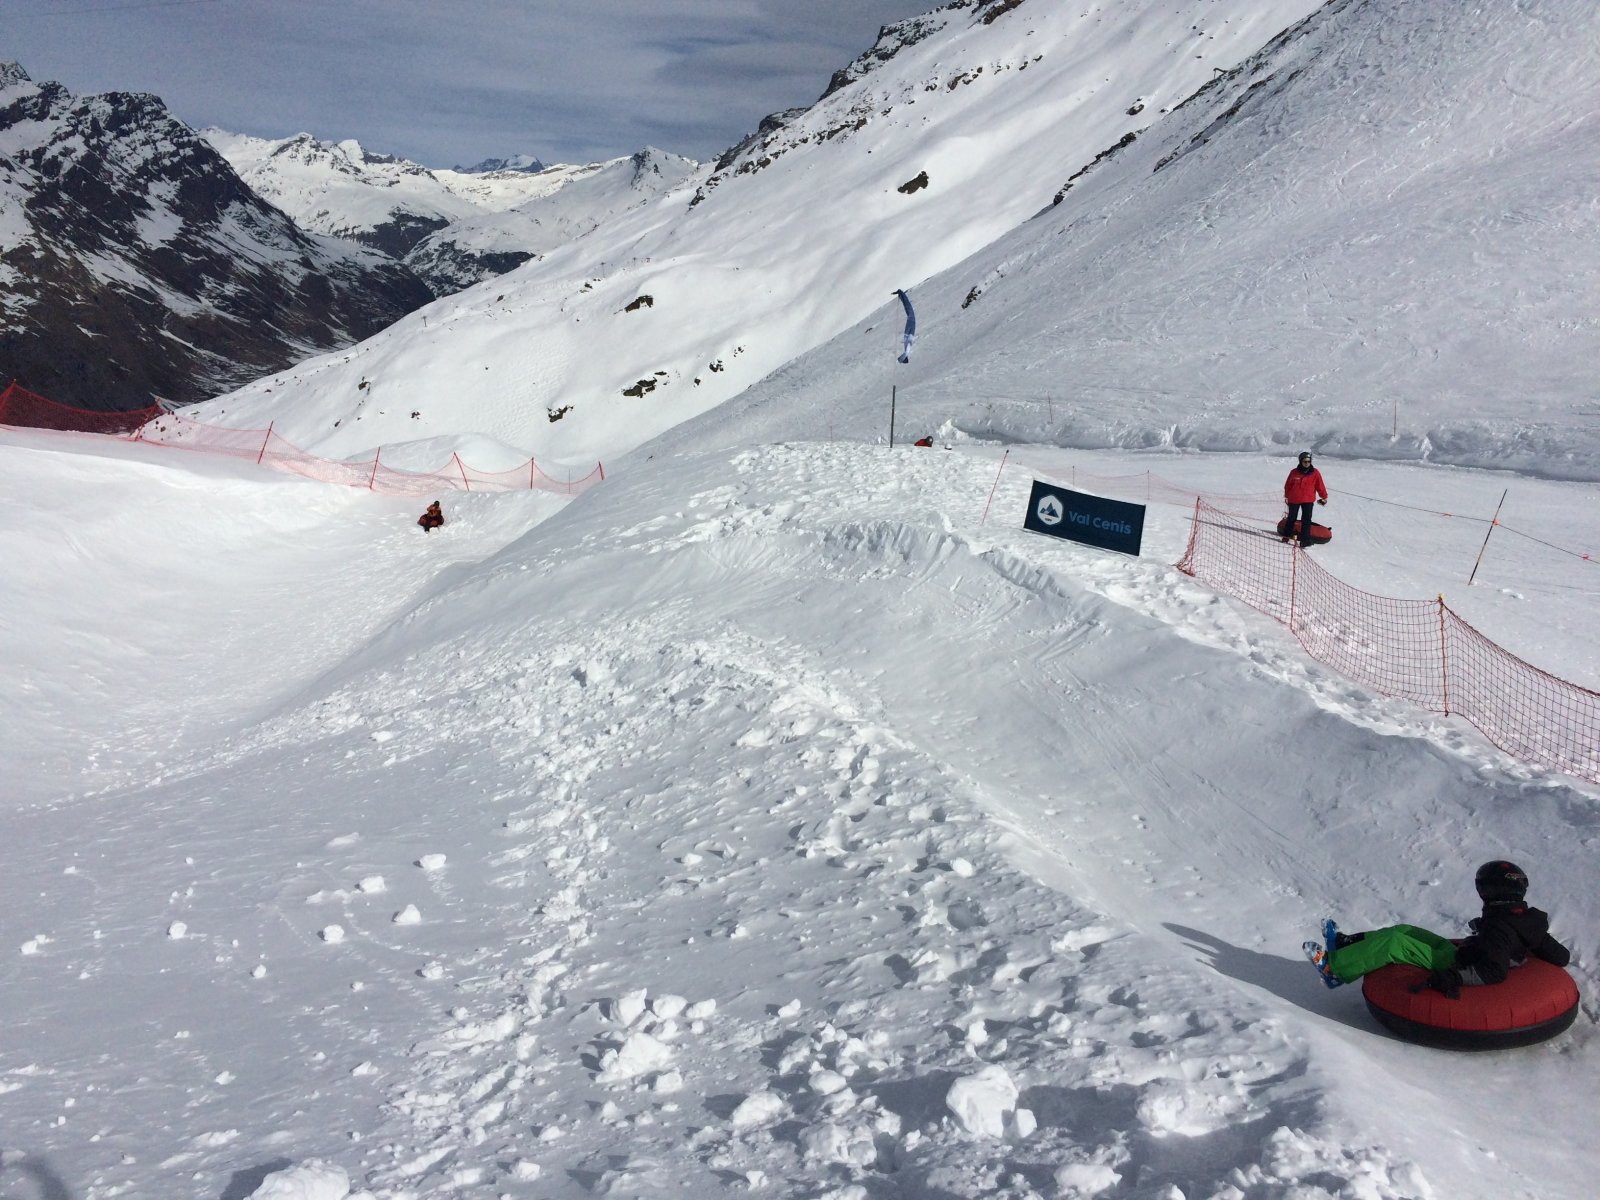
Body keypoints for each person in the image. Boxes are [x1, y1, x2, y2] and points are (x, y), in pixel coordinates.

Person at [1311, 860, 1570, 995]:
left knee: (1395, 943)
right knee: (1405, 930)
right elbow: (1561, 956)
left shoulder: (1499, 927)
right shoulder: (1524, 918)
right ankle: (1347, 944)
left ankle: (1337, 971)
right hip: (1465, 951)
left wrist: (1455, 977)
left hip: (1455, 963)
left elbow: (1494, 971)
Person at [1282, 451, 1328, 546]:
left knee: (1306, 520)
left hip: (1308, 500)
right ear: (1300, 461)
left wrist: (1324, 496)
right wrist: (1287, 496)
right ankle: (1286, 536)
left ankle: (1304, 540)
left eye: (1308, 461)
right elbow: (1288, 485)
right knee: (1291, 518)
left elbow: (1320, 485)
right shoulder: (1294, 472)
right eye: (1304, 461)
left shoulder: (1315, 473)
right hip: (1294, 499)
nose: (1307, 463)